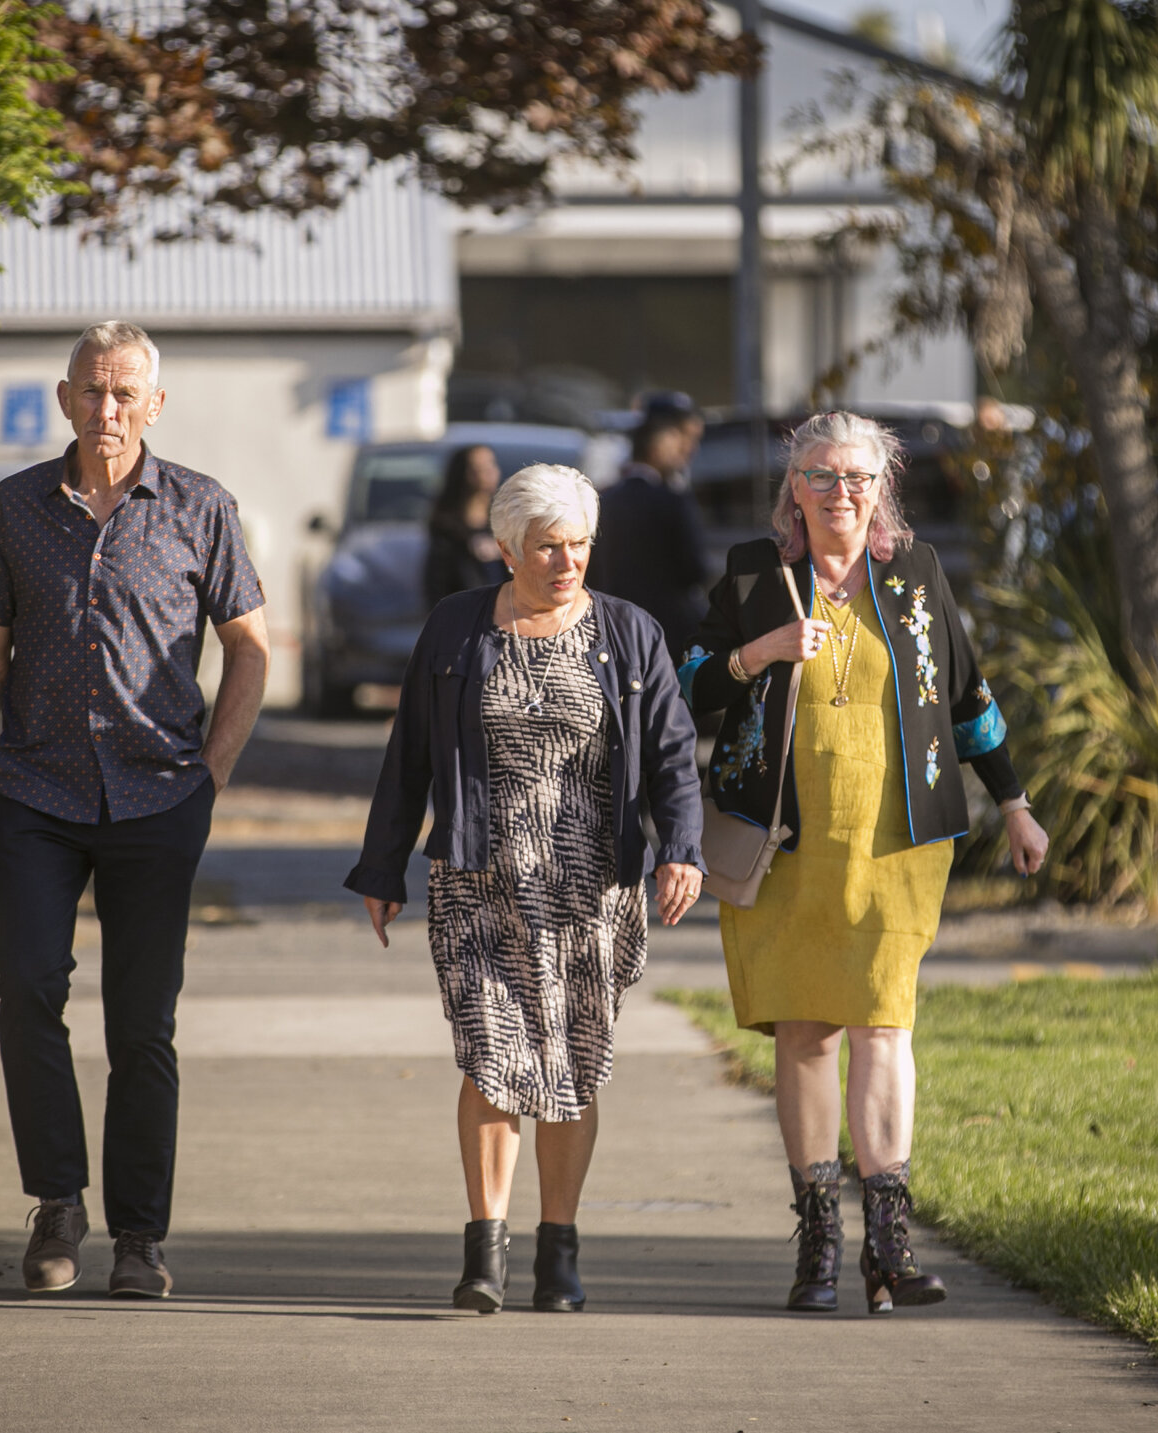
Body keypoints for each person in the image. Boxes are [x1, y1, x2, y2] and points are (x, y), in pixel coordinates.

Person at [677, 410, 1049, 1316]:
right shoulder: (755, 576)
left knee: (885, 1026)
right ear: (792, 491)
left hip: (898, 841)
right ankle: (819, 1245)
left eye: (857, 478)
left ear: (881, 490)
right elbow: (687, 687)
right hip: (786, 844)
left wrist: (1013, 801)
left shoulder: (915, 578)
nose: (840, 493)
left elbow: (967, 697)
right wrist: (759, 652)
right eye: (821, 477)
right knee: (807, 1033)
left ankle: (890, 1243)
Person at [0, 320, 270, 1299]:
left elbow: (249, 645)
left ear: (154, 405)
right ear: (63, 396)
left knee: (141, 1023)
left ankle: (137, 1236)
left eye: (125, 393)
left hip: (158, 793)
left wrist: (211, 771)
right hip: (36, 791)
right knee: (29, 985)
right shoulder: (17, 506)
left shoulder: (199, 506)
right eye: (91, 390)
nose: (107, 409)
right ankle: (56, 1202)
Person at [346, 463, 705, 1315]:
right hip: (479, 878)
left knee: (573, 1068)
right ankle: (487, 1251)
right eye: (548, 546)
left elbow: (671, 755)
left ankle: (561, 1250)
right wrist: (383, 864)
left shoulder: (629, 633)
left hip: (589, 889)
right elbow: (412, 756)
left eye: (579, 544)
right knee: (492, 1057)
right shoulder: (456, 630)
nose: (567, 560)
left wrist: (680, 849)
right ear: (508, 549)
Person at [587, 390, 708, 659]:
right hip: (666, 639)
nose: (690, 449)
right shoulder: (671, 500)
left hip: (612, 634)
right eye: (686, 438)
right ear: (662, 439)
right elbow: (694, 570)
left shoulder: (604, 497)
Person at [423, 444, 507, 607]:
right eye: (477, 468)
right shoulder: (446, 527)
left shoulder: (505, 518)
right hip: (467, 613)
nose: (488, 473)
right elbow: (437, 582)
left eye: (491, 464)